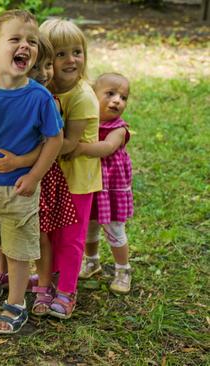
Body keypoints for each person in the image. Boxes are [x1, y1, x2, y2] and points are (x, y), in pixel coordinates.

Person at [0, 10, 63, 334]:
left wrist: (33, 176)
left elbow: (54, 139)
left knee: (18, 251)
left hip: (20, 190)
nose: (25, 46)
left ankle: (16, 303)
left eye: (31, 42)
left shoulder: (39, 98)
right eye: (15, 39)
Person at [0, 33, 78, 317]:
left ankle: (21, 300)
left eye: (46, 65)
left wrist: (27, 171)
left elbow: (52, 142)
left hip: (25, 184)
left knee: (25, 243)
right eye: (36, 67)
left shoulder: (41, 99)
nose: (42, 73)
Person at [40, 18, 102, 319]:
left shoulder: (82, 95)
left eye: (77, 52)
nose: (71, 60)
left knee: (70, 237)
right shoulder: (42, 90)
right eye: (60, 54)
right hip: (52, 177)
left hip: (77, 177)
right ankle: (47, 281)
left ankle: (67, 290)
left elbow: (69, 143)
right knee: (49, 232)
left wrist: (29, 155)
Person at [76, 73, 133, 294]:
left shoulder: (118, 129)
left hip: (110, 189)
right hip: (91, 185)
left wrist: (79, 147)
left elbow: (107, 148)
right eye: (110, 94)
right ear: (92, 95)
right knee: (89, 227)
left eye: (123, 97)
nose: (118, 100)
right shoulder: (88, 122)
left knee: (114, 229)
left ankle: (123, 270)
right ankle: (92, 261)